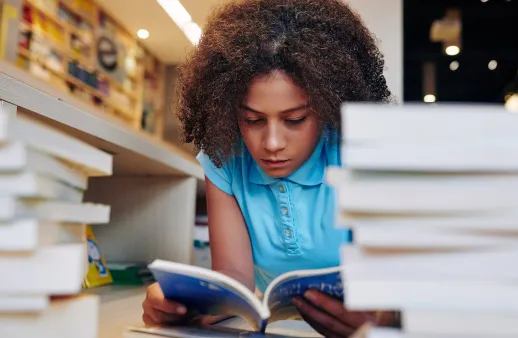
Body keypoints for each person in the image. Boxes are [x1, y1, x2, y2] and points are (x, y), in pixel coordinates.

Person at [142, 0, 398, 336]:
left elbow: (399, 285)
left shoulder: (361, 156)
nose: (272, 142)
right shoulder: (225, 158)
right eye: (252, 119)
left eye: (294, 119)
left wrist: (385, 319)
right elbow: (234, 284)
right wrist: (181, 303)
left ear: (327, 107)